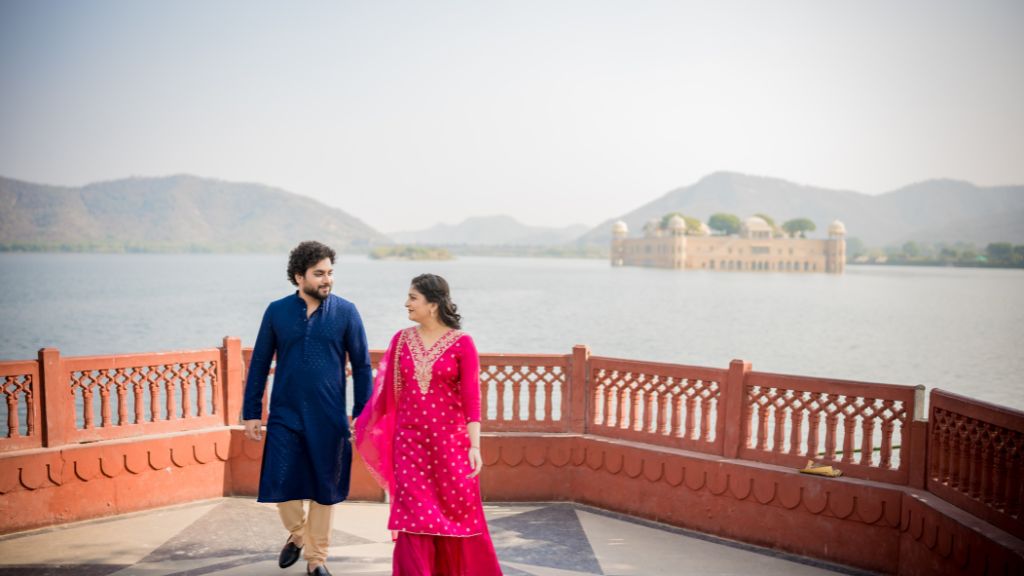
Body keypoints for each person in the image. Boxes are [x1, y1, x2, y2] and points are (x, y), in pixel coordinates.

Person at [355, 273, 503, 576]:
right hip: (409, 445)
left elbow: (471, 400)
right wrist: (362, 423)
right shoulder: (401, 341)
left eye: (413, 297)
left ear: (432, 304)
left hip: (451, 446)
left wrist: (475, 446)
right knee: (414, 519)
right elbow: (386, 394)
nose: (406, 303)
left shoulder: (463, 343)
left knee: (456, 515)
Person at [243, 241, 372, 576]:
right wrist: (252, 412)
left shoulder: (346, 312)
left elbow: (361, 365)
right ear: (299, 276)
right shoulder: (277, 311)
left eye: (330, 273)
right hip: (285, 414)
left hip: (329, 417)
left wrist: (363, 411)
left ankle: (317, 559)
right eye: (319, 274)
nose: (327, 279)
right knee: (280, 481)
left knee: (324, 489)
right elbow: (259, 364)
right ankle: (299, 534)